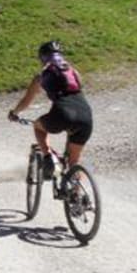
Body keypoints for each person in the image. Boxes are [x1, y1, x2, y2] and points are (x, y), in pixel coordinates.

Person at [8, 40, 93, 181]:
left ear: (43, 58)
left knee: (38, 126)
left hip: (63, 114)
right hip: (86, 115)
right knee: (74, 162)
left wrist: (14, 113)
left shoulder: (42, 76)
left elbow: (26, 101)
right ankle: (79, 198)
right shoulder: (74, 72)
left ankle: (48, 157)